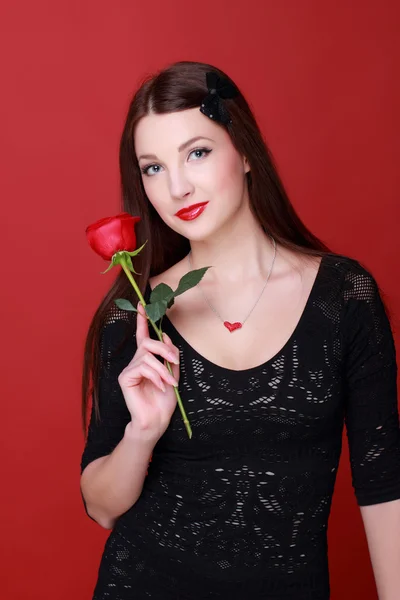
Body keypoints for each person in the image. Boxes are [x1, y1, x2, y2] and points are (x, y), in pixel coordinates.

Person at [80, 61, 400, 600]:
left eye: (197, 153)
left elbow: (384, 483)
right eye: (152, 168)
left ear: (246, 152)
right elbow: (101, 507)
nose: (177, 186)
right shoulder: (135, 313)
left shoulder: (344, 296)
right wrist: (142, 433)